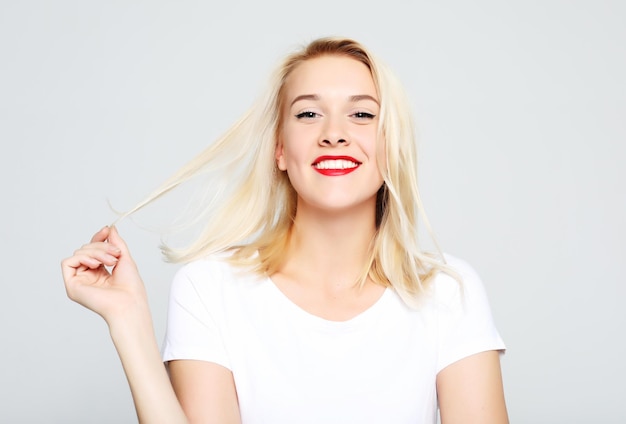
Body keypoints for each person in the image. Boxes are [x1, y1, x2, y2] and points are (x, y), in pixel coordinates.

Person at [62, 37, 508, 423]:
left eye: (363, 115)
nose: (334, 134)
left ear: (391, 147)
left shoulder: (450, 293)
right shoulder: (209, 288)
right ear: (279, 149)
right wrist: (128, 321)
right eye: (309, 114)